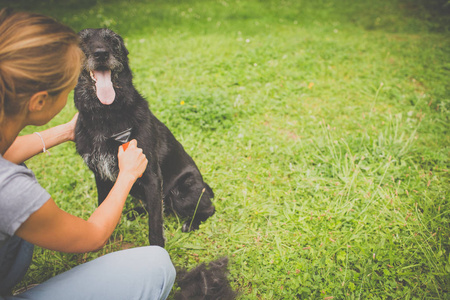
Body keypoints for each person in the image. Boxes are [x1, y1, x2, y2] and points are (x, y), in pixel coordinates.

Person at [0, 8, 175, 299]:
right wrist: (128, 175)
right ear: (40, 101)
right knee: (158, 265)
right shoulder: (11, 189)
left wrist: (65, 131)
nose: (74, 86)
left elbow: (7, 152)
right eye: (68, 83)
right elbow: (92, 236)